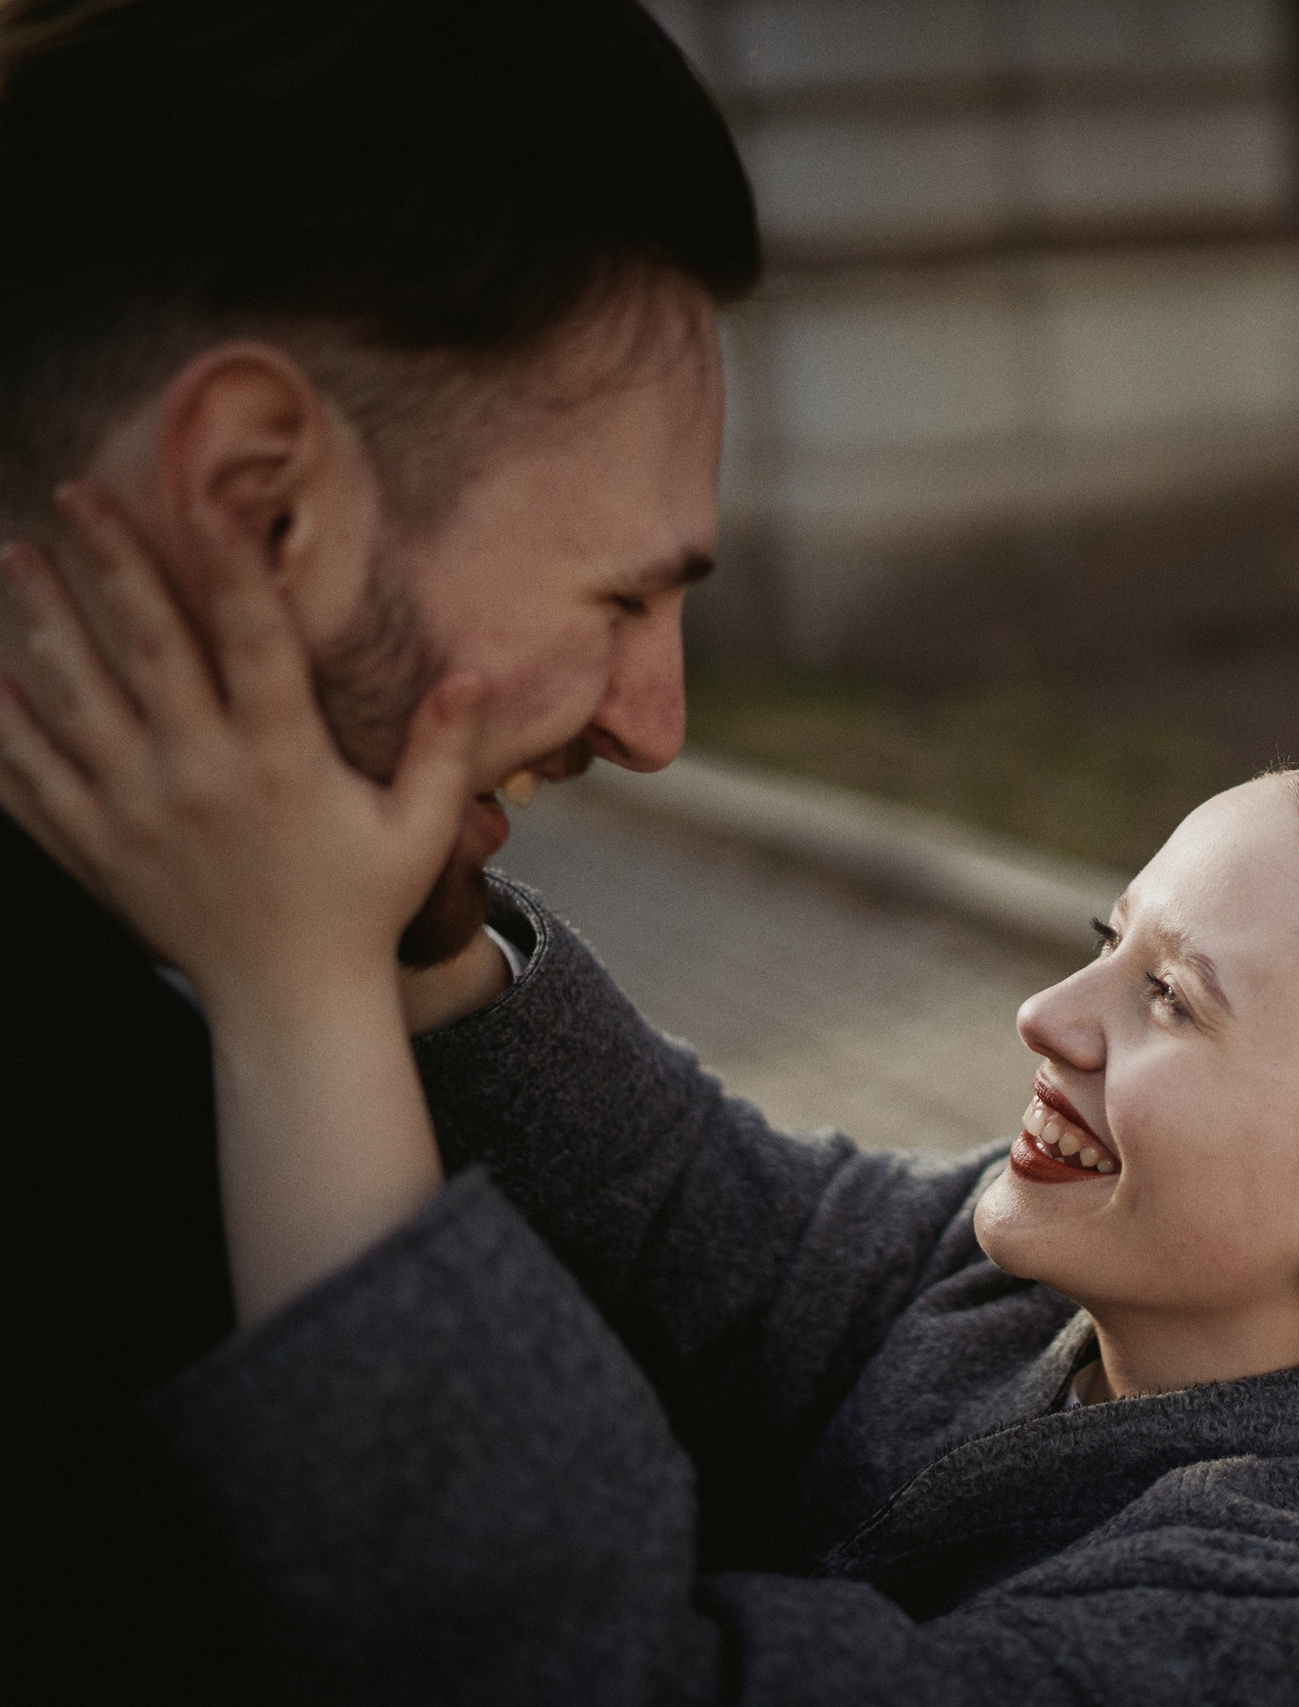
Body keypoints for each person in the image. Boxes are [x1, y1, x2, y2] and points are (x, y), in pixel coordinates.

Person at [0, 485, 1299, 1702]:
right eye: (1106, 945)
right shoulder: (1003, 1276)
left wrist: (296, 996)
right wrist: (424, 927)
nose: (1046, 1016)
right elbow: (693, 1202)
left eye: (1168, 998)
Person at [0, 0, 757, 1695]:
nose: (654, 722)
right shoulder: (89, 1222)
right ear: (261, 504)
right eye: (624, 594)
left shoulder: (192, 997)